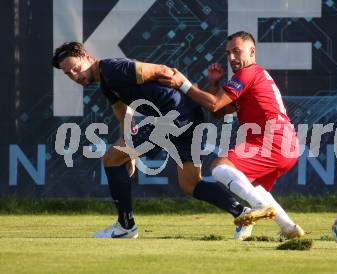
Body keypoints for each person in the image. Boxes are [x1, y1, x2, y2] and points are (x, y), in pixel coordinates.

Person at [51, 42, 252, 239]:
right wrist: (128, 155)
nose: (75, 76)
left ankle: (125, 226)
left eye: (76, 68)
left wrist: (177, 86)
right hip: (189, 115)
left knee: (110, 159)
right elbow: (124, 118)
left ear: (87, 57)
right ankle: (242, 212)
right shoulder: (106, 84)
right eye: (69, 74)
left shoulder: (112, 68)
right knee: (190, 183)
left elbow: (161, 70)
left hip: (173, 115)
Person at [158, 31, 305, 238]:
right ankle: (289, 228)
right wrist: (214, 85)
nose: (232, 58)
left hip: (273, 139)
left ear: (252, 51)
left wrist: (183, 83)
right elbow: (219, 112)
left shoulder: (247, 73)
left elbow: (214, 103)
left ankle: (258, 207)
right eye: (228, 53)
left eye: (237, 51)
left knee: (219, 167)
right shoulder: (254, 75)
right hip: (287, 143)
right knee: (253, 185)